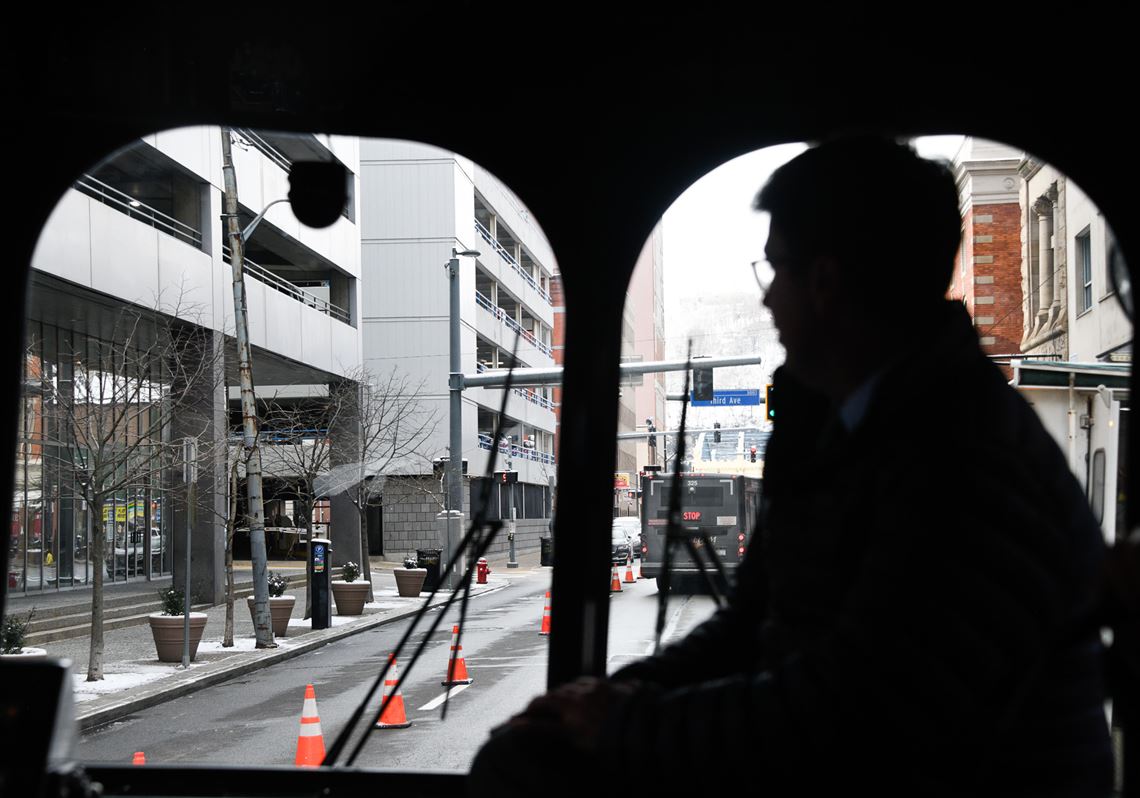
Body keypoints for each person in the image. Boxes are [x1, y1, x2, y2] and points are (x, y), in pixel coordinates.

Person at [469, 137, 1114, 795]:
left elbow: (858, 717)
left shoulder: (967, 461)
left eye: (775, 271)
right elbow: (752, 623)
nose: (770, 302)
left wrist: (620, 722)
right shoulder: (846, 432)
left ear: (825, 284)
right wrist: (610, 697)